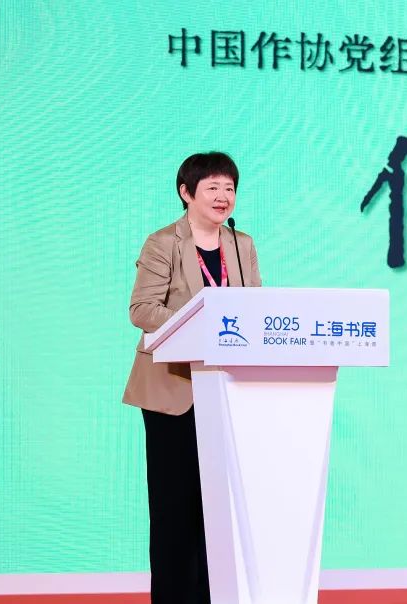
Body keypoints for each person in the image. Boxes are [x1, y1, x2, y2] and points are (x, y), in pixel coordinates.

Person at [122, 151, 261, 603]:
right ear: (186, 193)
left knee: (217, 507)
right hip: (173, 392)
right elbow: (142, 310)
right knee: (174, 506)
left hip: (226, 390)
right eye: (212, 188)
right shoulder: (163, 242)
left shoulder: (241, 244)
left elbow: (255, 308)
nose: (223, 197)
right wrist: (200, 324)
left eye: (229, 188)